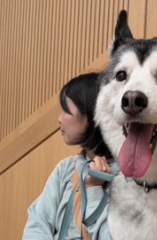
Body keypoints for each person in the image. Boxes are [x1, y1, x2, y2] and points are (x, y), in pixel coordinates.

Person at [22, 72, 118, 240]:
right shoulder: (65, 169)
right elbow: (38, 221)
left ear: (92, 116)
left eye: (66, 111)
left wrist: (94, 190)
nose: (60, 119)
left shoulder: (129, 177)